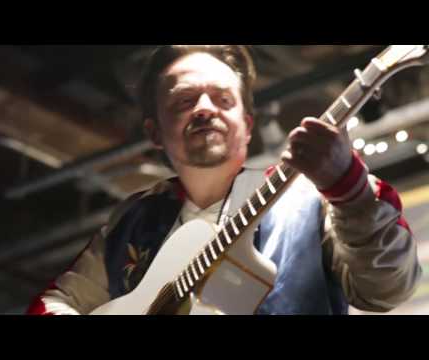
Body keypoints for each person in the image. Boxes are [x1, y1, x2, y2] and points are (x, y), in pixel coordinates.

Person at [27, 45, 421, 315]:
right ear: (154, 133)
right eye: (185, 101)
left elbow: (389, 288)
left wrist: (347, 186)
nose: (204, 109)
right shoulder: (131, 222)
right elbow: (58, 301)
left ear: (247, 126)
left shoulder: (311, 202)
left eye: (222, 99)